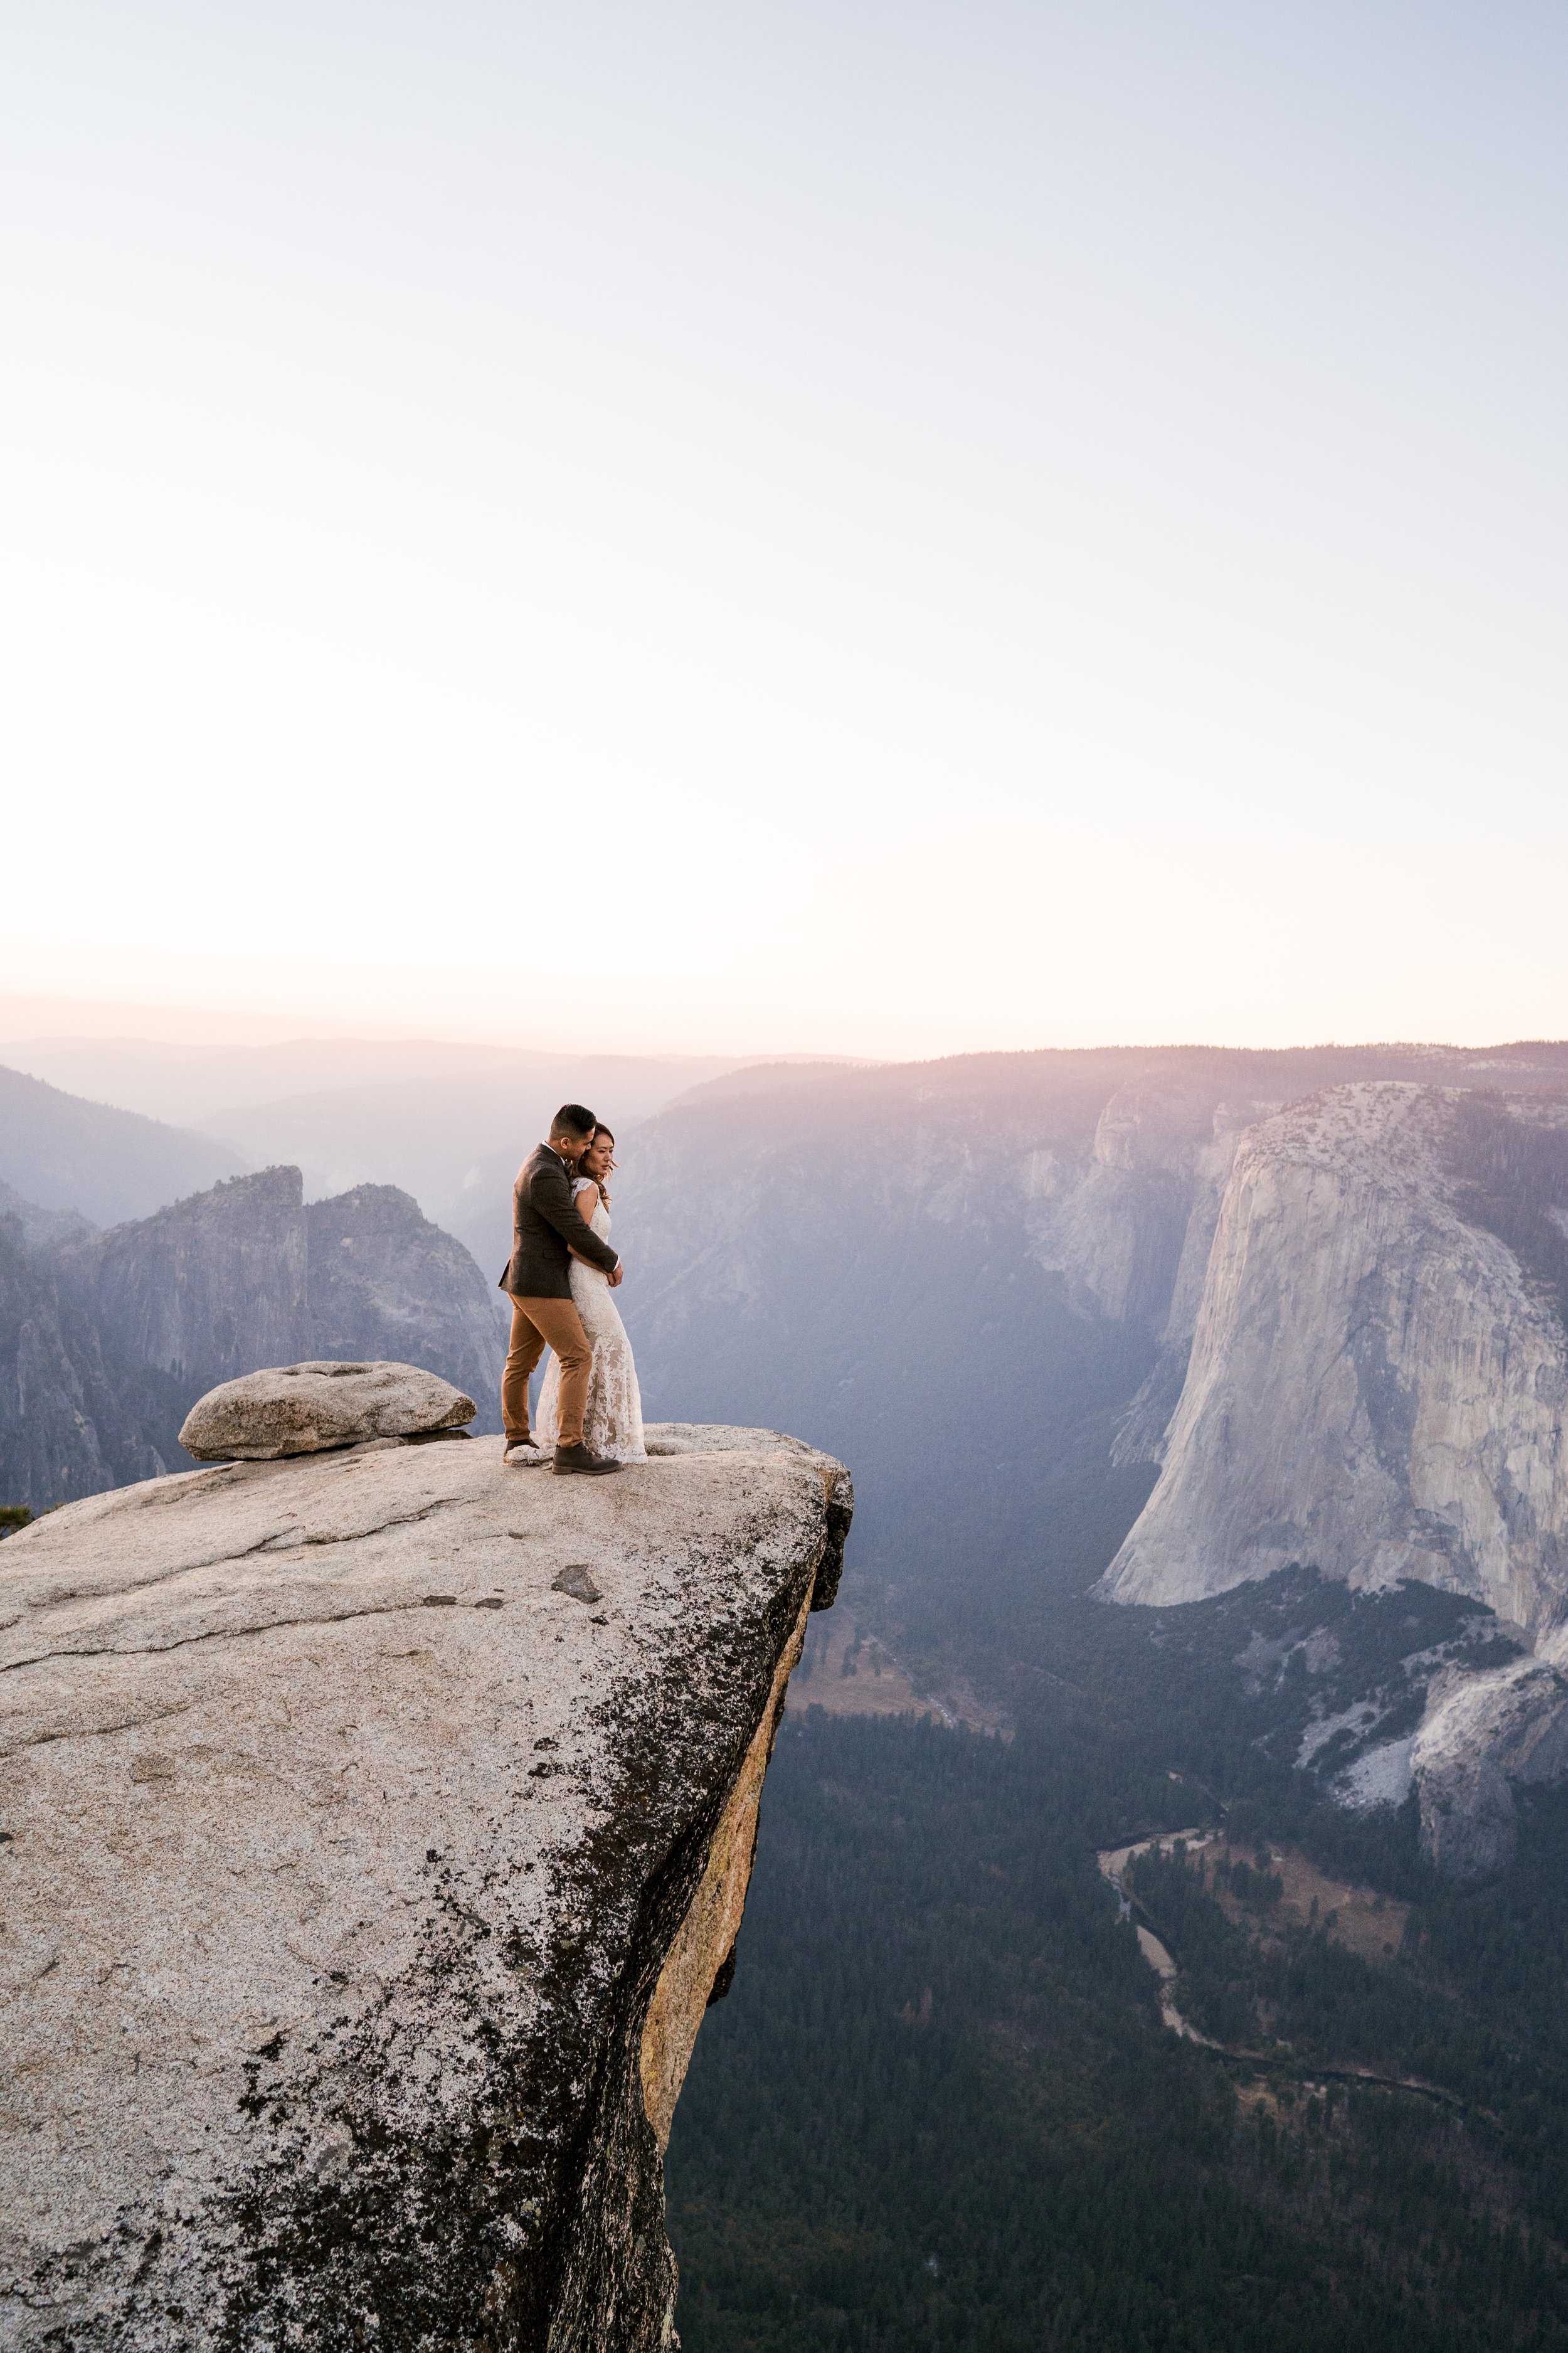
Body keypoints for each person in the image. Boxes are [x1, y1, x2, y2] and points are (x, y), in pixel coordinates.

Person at [499, 1103, 625, 1476]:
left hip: (524, 1278)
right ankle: (570, 1448)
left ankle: (517, 1438)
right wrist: (611, 1261)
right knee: (578, 1357)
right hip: (542, 1282)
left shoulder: (542, 1162)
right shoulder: (545, 1175)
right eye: (587, 1144)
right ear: (566, 1141)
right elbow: (573, 1229)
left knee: (520, 1362)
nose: (590, 1150)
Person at [533, 1124, 647, 1463]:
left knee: (591, 1354)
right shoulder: (586, 1190)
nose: (609, 1158)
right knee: (611, 1348)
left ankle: (582, 1435)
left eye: (612, 1151)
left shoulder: (583, 1186)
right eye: (601, 1150)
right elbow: (575, 1242)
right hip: (585, 1283)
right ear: (584, 1152)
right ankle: (598, 1439)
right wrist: (609, 1264)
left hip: (589, 1282)